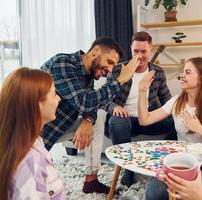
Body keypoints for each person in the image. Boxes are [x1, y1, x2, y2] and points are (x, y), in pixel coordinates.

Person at [41, 37, 139, 194]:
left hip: (60, 126)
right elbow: (85, 101)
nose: (110, 69)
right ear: (96, 51)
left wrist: (87, 120)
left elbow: (92, 104)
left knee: (97, 119)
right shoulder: (63, 63)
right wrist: (121, 79)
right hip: (34, 132)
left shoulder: (88, 76)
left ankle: (91, 180)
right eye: (110, 62)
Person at [139, 57, 202, 199]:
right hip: (182, 159)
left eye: (187, 72)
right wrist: (142, 91)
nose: (182, 75)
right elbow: (145, 120)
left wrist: (200, 130)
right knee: (153, 194)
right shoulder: (176, 101)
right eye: (182, 72)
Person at [102, 31, 176, 187]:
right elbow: (104, 99)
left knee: (179, 123)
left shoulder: (158, 72)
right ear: (131, 49)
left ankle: (167, 164)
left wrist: (178, 113)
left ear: (150, 51)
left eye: (144, 51)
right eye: (136, 51)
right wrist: (115, 107)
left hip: (149, 120)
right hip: (125, 120)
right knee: (116, 122)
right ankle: (128, 170)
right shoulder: (117, 70)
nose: (140, 56)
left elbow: (167, 101)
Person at [0, 67, 65, 199]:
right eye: (54, 94)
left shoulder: (28, 142)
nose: (59, 99)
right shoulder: (31, 163)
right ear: (36, 103)